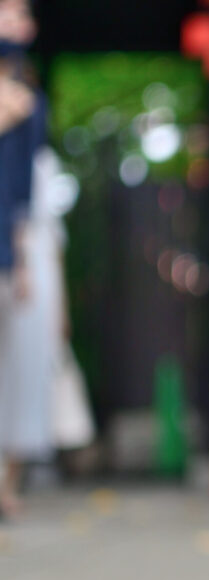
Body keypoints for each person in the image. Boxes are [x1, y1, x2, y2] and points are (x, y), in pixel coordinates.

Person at [0, 0, 46, 516]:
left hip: (11, 245)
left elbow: (26, 187)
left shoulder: (30, 97)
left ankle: (7, 484)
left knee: (17, 366)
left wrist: (27, 254)